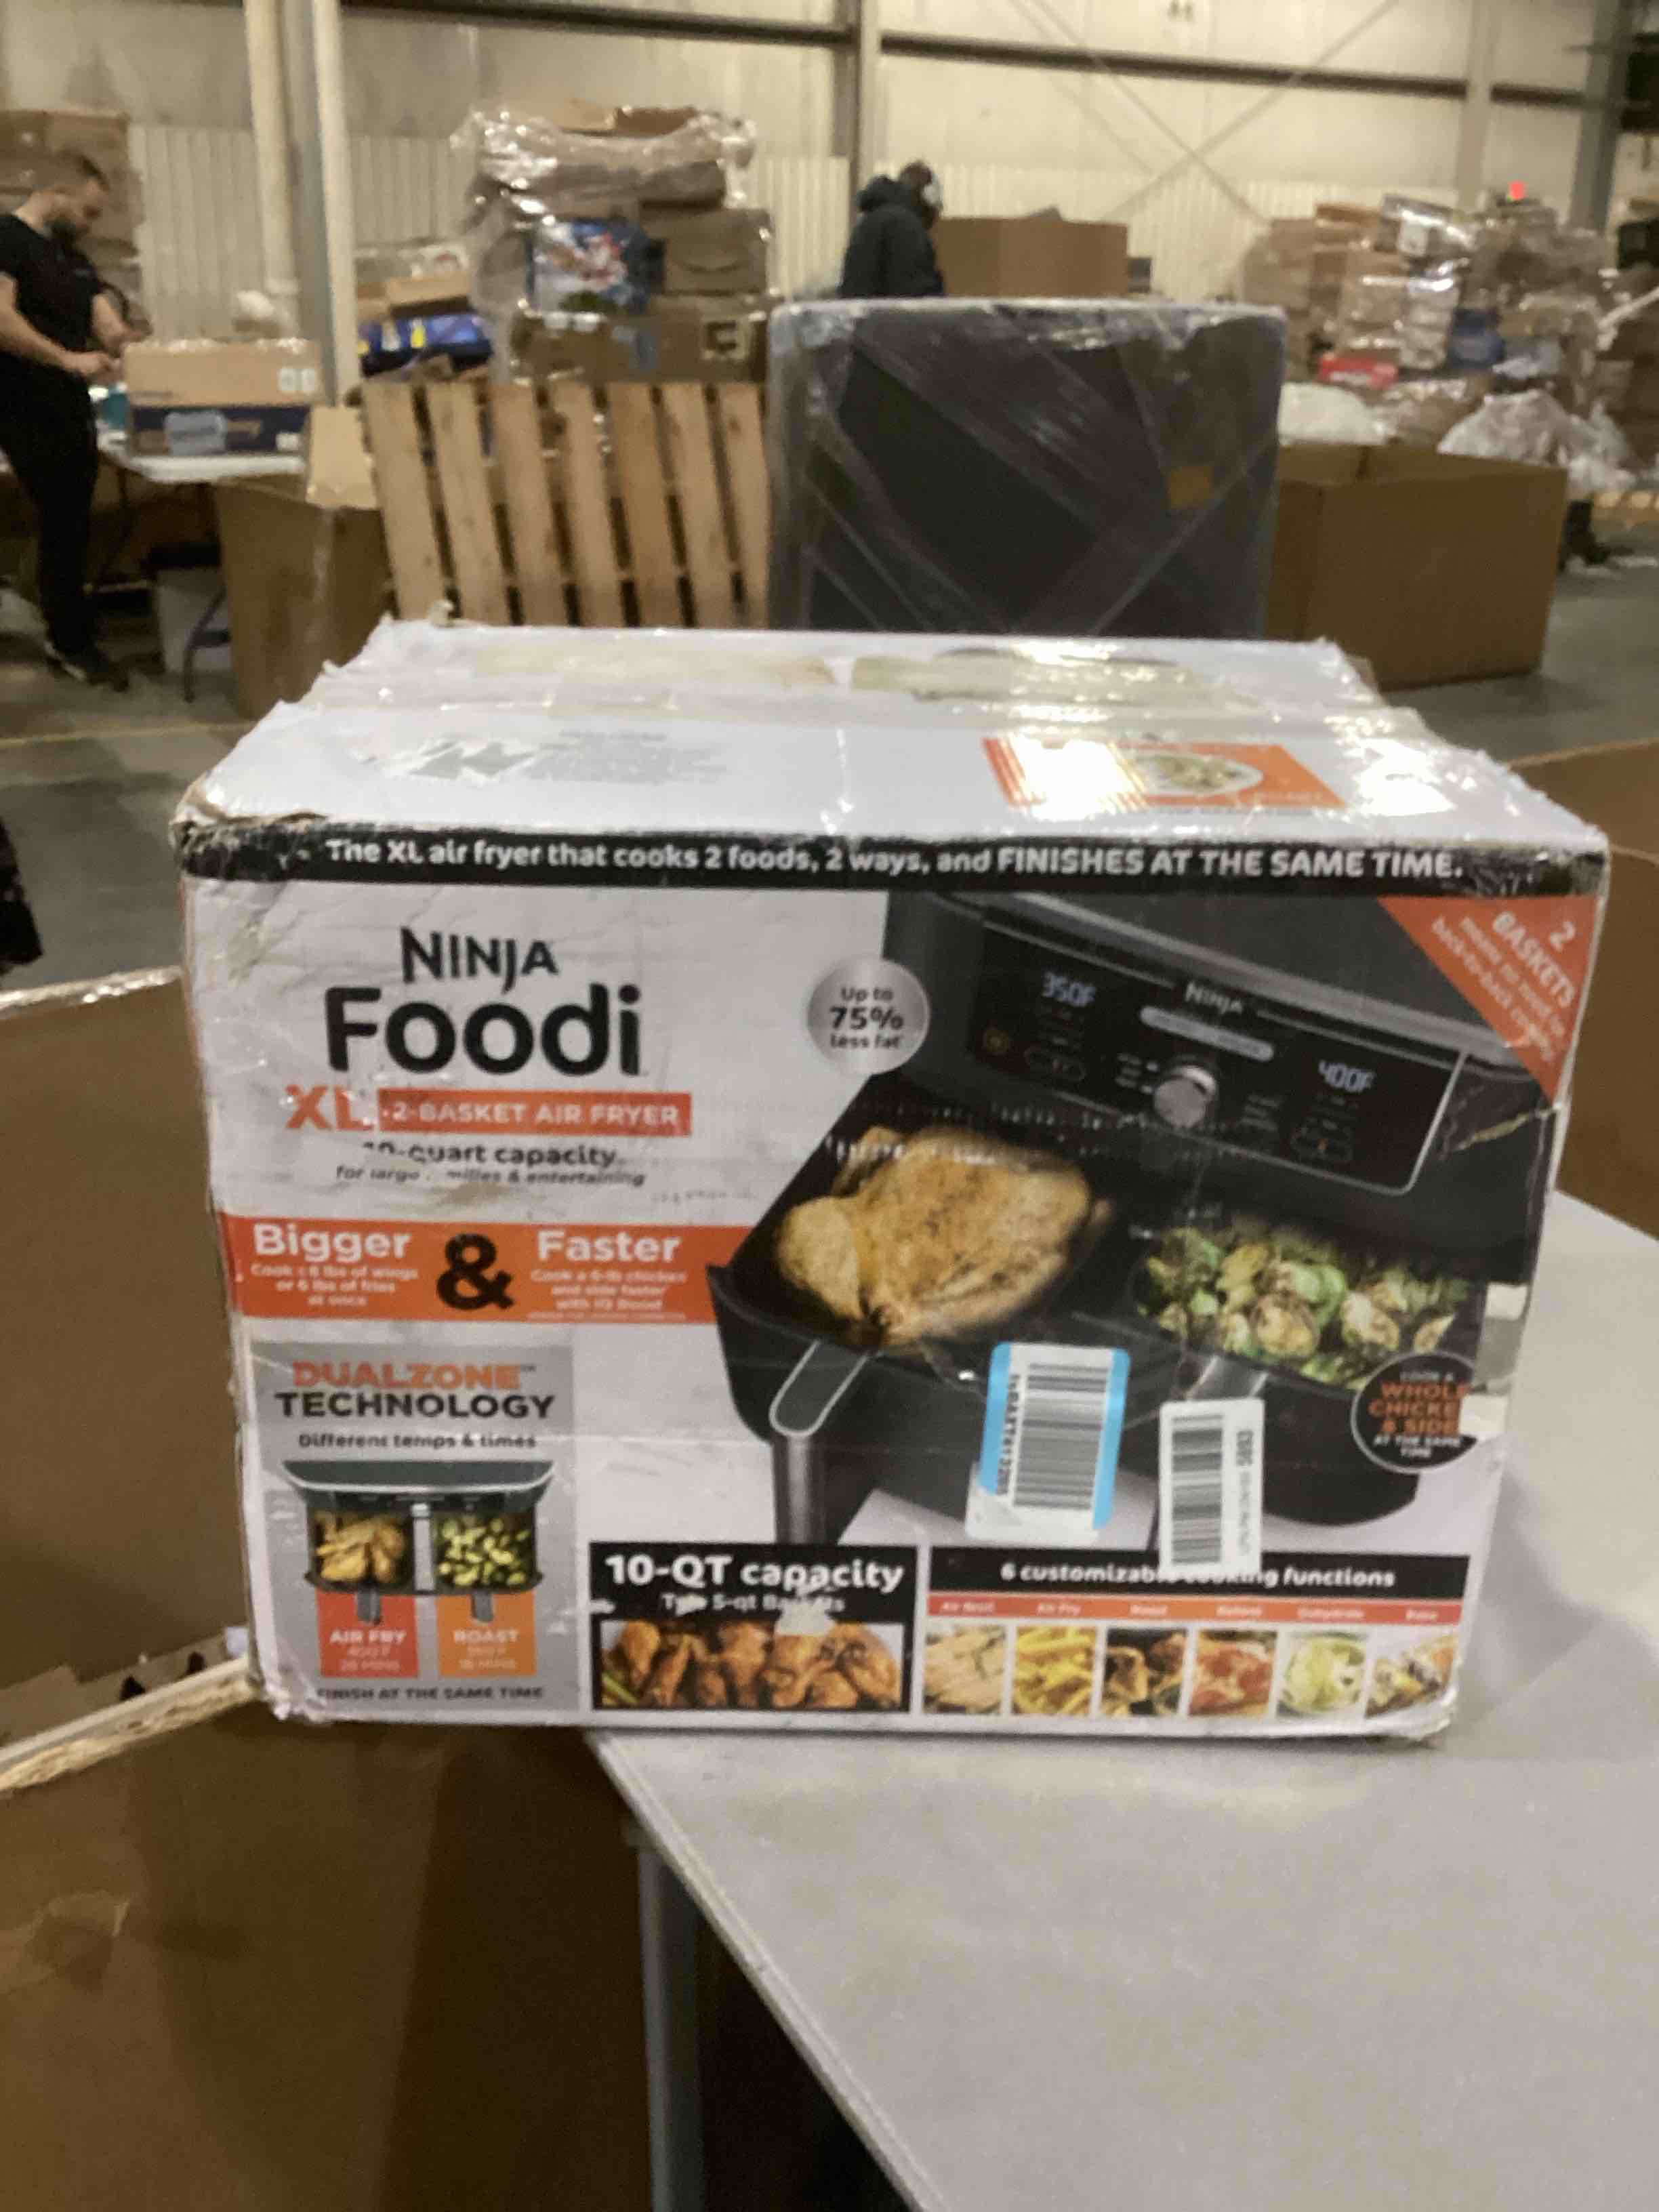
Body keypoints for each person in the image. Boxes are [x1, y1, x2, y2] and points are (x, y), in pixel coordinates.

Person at [0, 153, 140, 691]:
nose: (90, 224)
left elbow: (104, 319)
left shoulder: (72, 259)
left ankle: (67, 629)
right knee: (61, 513)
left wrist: (126, 342)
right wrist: (65, 358)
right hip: (19, 398)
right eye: (87, 211)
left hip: (66, 404)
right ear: (57, 192)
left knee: (70, 518)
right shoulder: (8, 239)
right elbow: (2, 318)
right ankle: (69, 638)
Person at [838, 161, 945, 301]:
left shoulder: (872, 218)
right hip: (888, 314)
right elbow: (914, 292)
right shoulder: (907, 227)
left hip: (863, 312)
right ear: (928, 196)